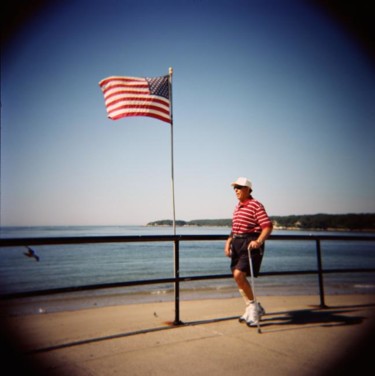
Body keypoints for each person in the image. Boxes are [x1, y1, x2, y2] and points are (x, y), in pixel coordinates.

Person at [224, 177, 273, 327]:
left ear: (247, 189)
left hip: (250, 243)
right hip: (237, 243)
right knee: (237, 276)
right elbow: (234, 229)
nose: (236, 190)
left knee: (239, 274)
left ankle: (253, 308)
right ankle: (253, 307)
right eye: (235, 188)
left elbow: (267, 226)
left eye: (239, 187)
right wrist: (228, 243)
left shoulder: (256, 205)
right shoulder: (237, 206)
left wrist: (258, 241)